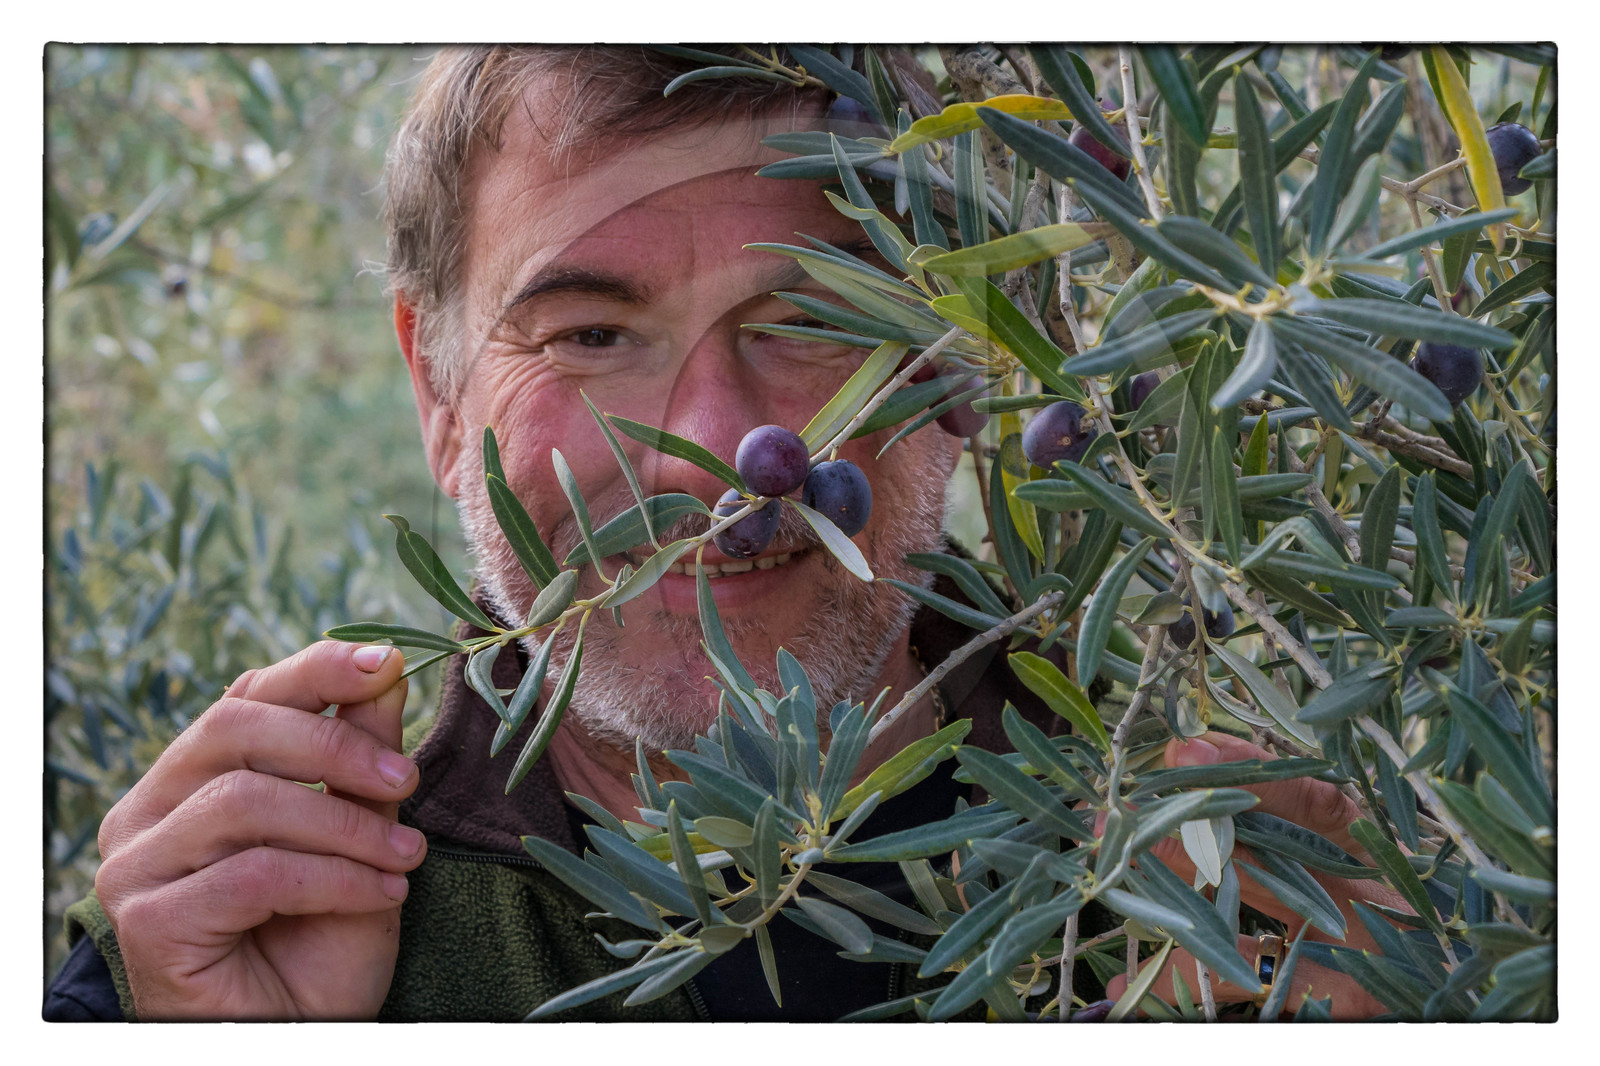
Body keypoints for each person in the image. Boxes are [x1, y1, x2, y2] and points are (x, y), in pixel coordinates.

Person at [47, 45, 1403, 1022]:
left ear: (956, 356)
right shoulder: (246, 926)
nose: (717, 452)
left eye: (811, 321)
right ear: (439, 395)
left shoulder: (1233, 862)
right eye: (592, 335)